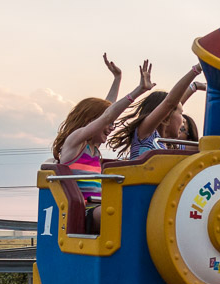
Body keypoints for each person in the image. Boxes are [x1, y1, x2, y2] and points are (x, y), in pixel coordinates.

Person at [51, 60, 153, 232]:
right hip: (85, 210)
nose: (112, 128)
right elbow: (106, 116)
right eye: (109, 124)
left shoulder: (94, 148)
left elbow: (107, 112)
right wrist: (138, 91)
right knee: (117, 214)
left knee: (137, 210)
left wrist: (117, 78)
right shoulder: (75, 142)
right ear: (90, 121)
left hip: (98, 206)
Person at [109, 64, 202, 158]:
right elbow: (170, 103)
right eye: (181, 114)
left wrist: (196, 87)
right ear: (166, 116)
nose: (184, 120)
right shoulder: (146, 135)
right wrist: (196, 70)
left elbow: (204, 147)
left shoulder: (169, 144)